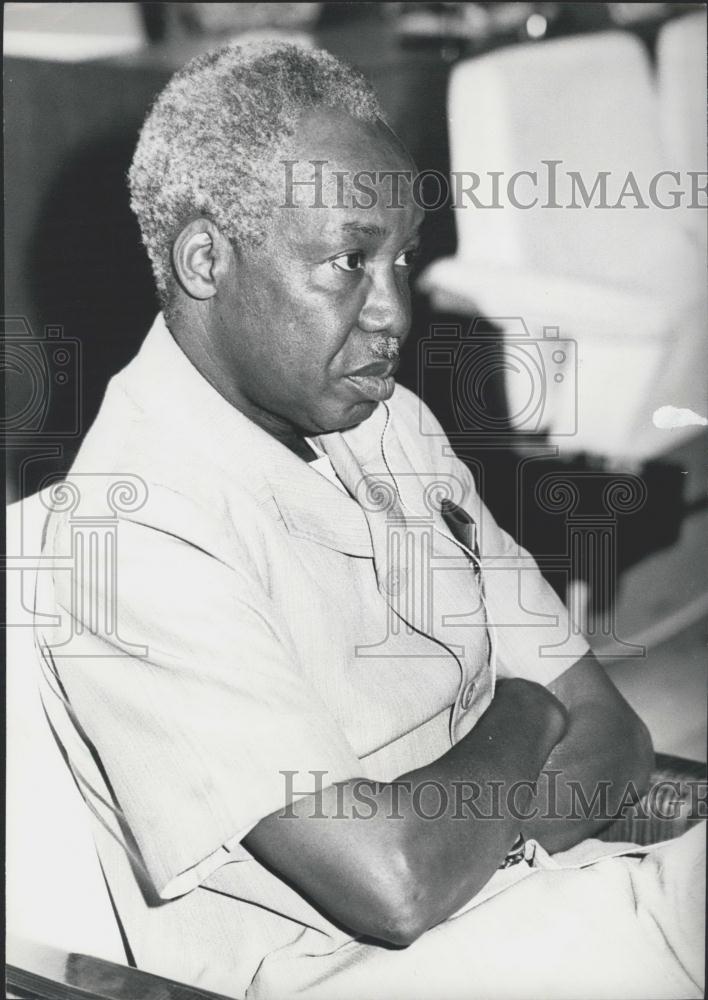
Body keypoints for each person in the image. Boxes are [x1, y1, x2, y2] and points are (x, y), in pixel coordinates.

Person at [36, 41, 704, 1000]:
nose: (393, 309)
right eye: (350, 261)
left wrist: (472, 841)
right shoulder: (133, 534)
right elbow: (393, 884)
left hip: (551, 905)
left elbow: (620, 737)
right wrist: (529, 706)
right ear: (204, 259)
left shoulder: (390, 426)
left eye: (402, 259)